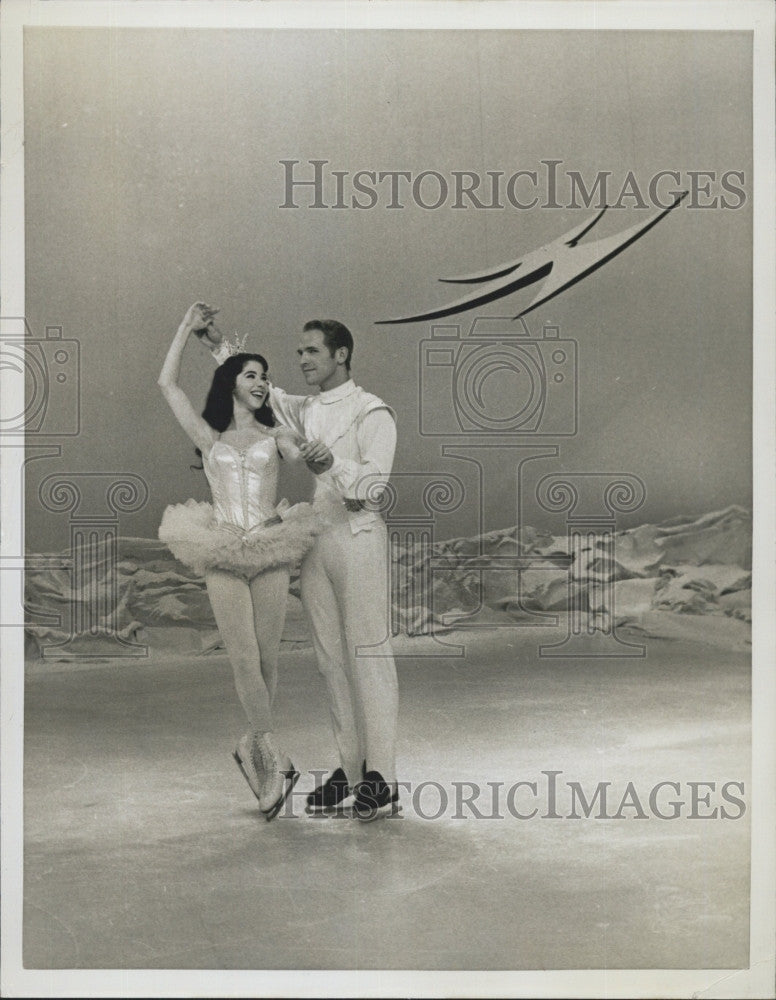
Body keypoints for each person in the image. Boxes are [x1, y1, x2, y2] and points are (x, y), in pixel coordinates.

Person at [157, 302, 319, 821]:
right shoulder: (209, 438)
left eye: (265, 377)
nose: (261, 382)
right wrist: (188, 329)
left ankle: (252, 747)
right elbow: (168, 385)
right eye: (251, 376)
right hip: (223, 551)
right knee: (244, 659)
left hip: (270, 548)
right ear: (231, 382)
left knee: (268, 662)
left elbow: (298, 455)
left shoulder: (276, 436)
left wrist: (307, 448)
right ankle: (275, 762)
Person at [268, 320, 401, 822]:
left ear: (341, 354)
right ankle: (349, 766)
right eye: (298, 351)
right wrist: (219, 346)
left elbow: (371, 489)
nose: (303, 360)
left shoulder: (374, 411)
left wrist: (330, 466)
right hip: (317, 540)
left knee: (367, 652)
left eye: (312, 351)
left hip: (358, 536)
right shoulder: (304, 408)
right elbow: (261, 392)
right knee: (329, 658)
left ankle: (382, 777)